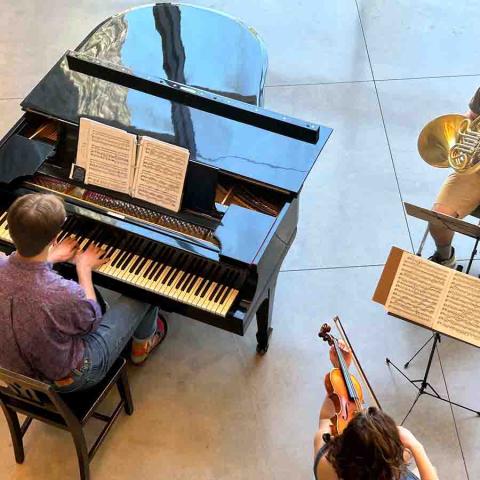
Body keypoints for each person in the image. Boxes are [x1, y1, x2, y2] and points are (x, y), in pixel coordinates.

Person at [0, 193, 167, 392]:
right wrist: (84, 268)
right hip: (69, 377)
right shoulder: (61, 293)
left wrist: (50, 258)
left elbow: (23, 278)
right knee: (144, 291)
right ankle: (140, 348)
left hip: (12, 371)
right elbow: (92, 319)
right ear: (54, 238)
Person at [313, 342, 438, 480]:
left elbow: (325, 418)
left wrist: (342, 372)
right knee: (423, 467)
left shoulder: (324, 458)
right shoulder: (388, 474)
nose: (359, 410)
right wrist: (416, 446)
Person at [428, 86, 480, 267]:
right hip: (476, 170)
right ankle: (445, 256)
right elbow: (471, 118)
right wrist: (461, 136)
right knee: (439, 218)